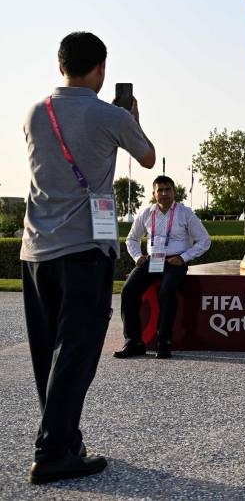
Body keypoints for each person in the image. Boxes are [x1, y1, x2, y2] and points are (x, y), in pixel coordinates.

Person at [21, 31, 156, 484]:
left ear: (61, 66)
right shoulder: (107, 115)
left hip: (36, 249)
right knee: (77, 352)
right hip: (84, 249)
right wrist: (131, 117)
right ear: (101, 69)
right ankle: (54, 451)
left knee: (49, 353)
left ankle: (65, 436)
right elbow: (148, 157)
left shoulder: (35, 113)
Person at [115, 175, 210, 360]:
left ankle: (164, 341)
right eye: (160, 190)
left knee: (166, 292)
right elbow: (131, 239)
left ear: (174, 192)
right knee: (128, 291)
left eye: (168, 190)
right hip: (152, 260)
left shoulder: (185, 213)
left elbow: (205, 240)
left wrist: (183, 258)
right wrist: (137, 256)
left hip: (175, 261)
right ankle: (134, 342)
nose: (164, 193)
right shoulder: (146, 213)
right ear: (153, 193)